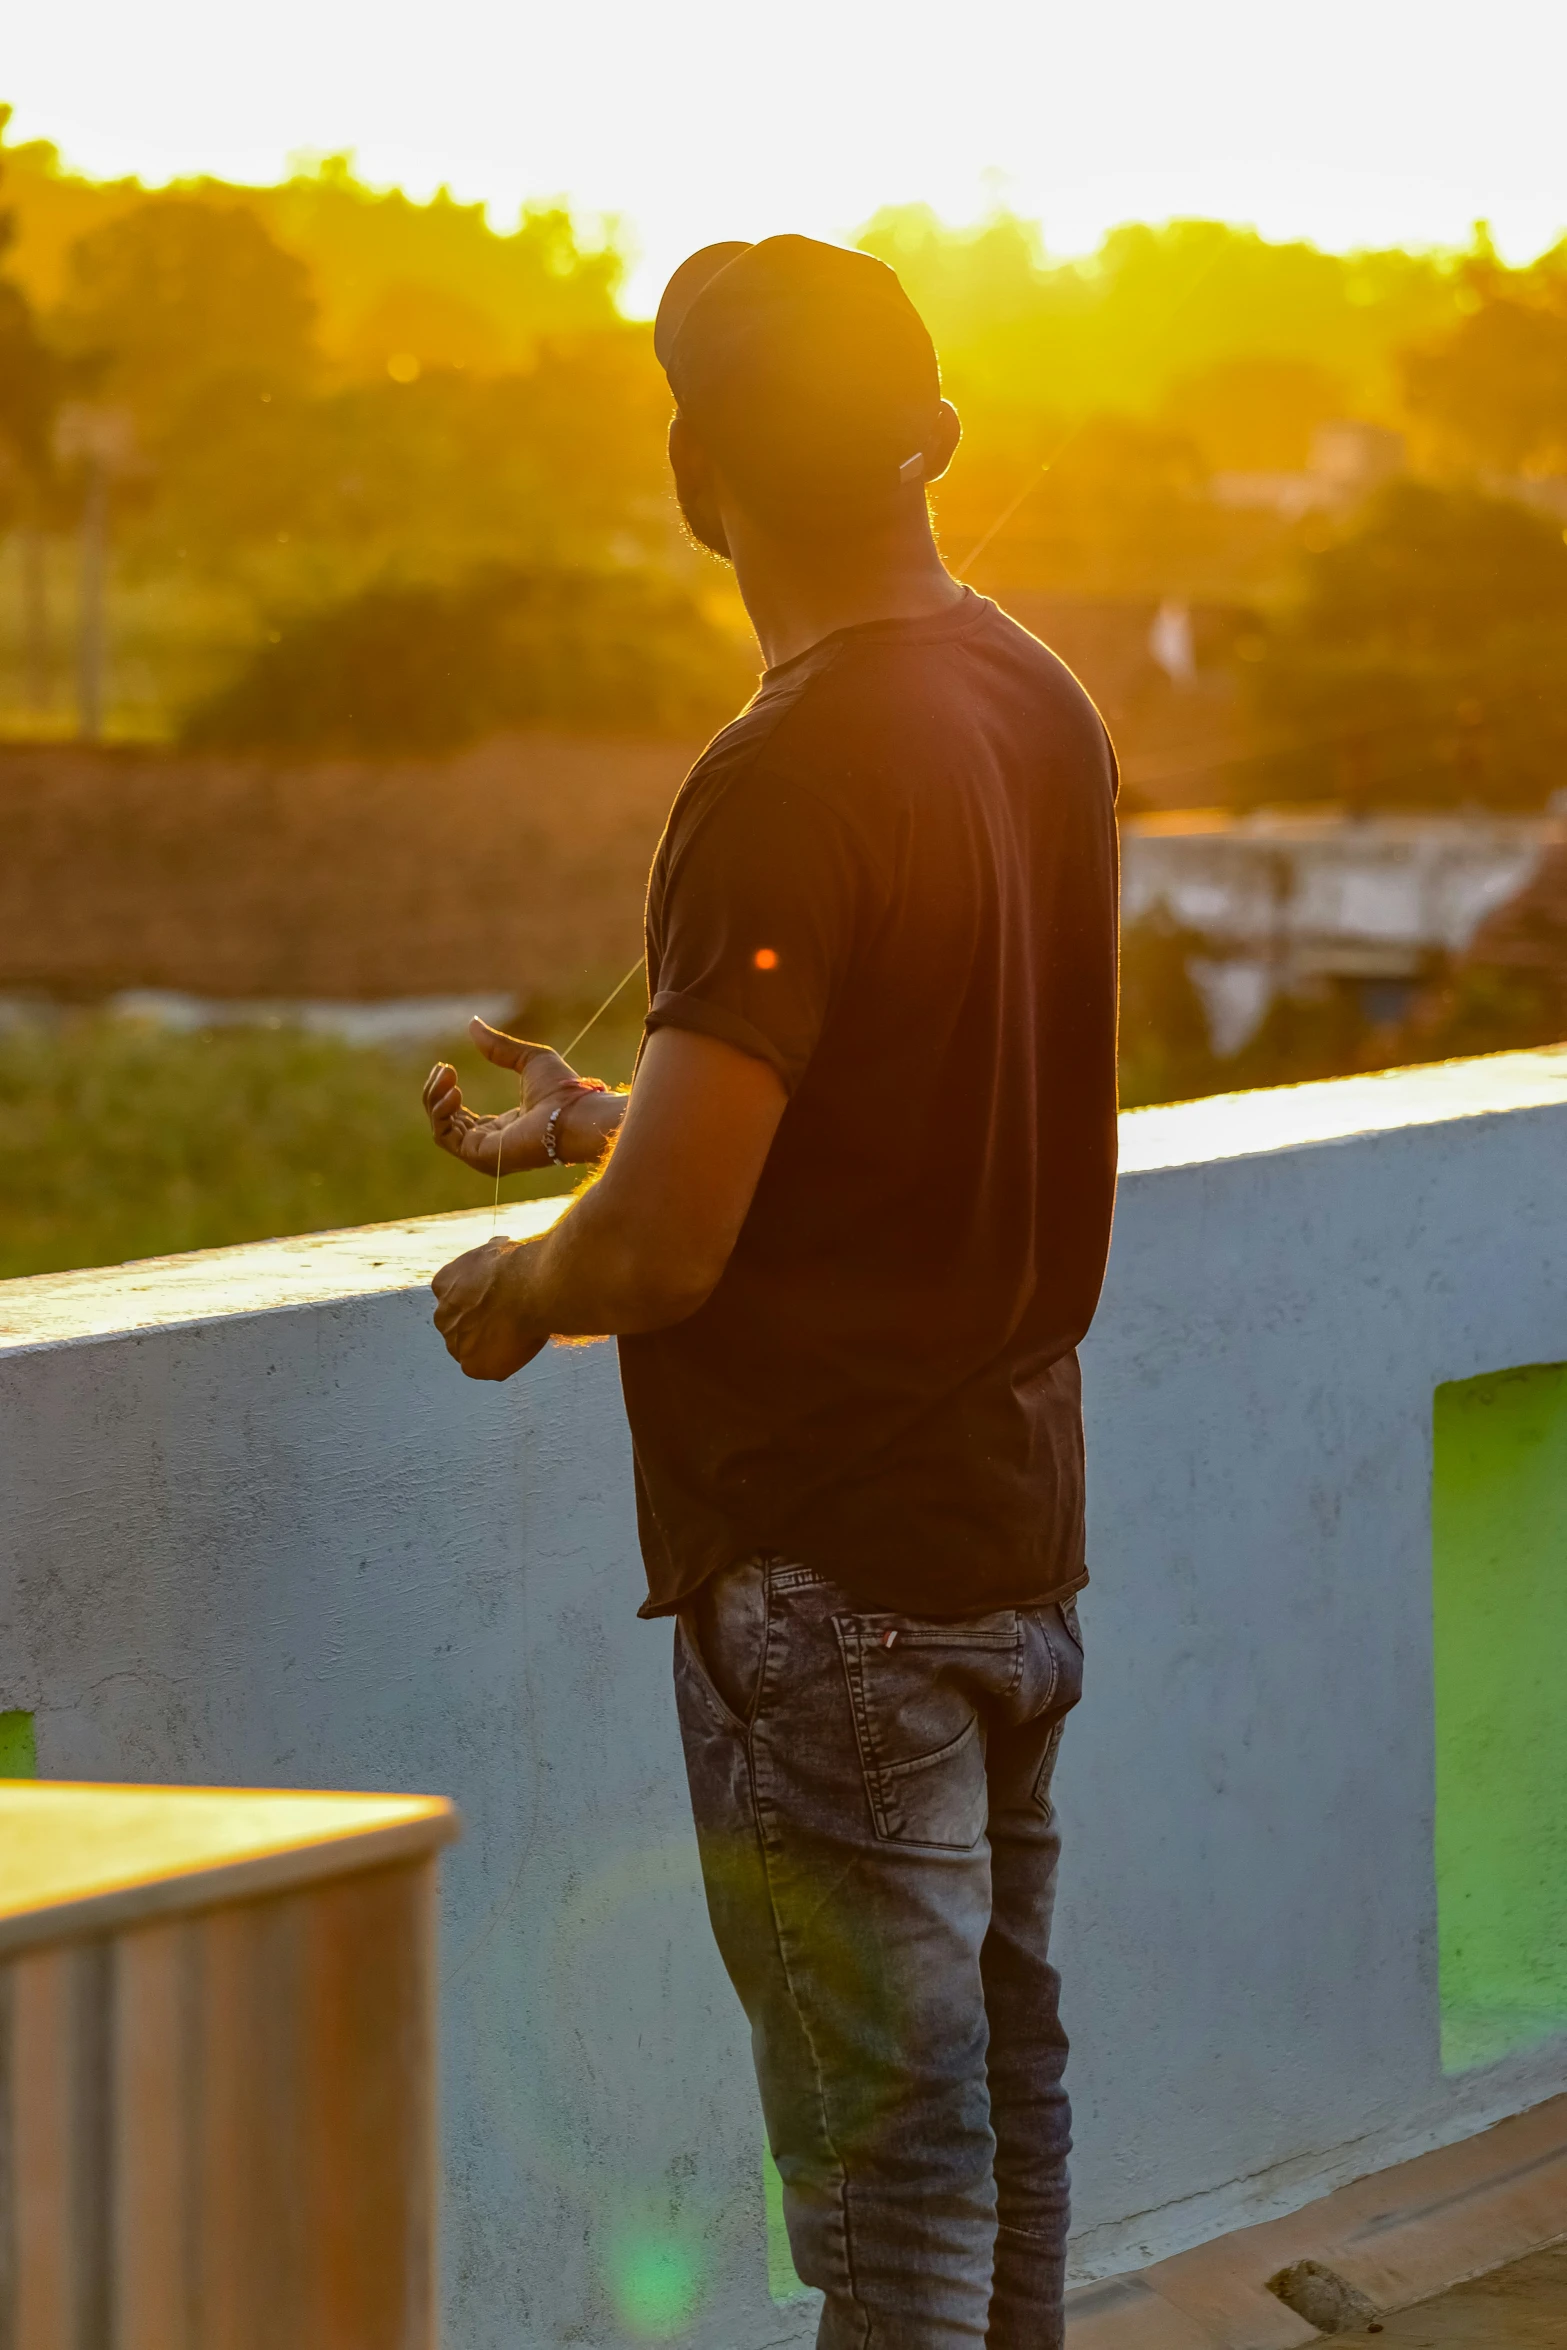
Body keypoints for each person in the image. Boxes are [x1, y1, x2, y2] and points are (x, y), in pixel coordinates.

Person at [422, 234, 1119, 2350]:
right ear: (938, 435)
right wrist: (601, 1121)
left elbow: (671, 1251)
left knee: (896, 2186)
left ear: (690, 468)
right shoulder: (1035, 700)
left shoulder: (785, 771)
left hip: (829, 1581)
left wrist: (521, 1276)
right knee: (1004, 2121)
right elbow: (878, 1103)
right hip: (1010, 1543)